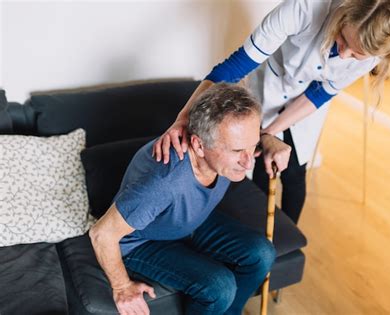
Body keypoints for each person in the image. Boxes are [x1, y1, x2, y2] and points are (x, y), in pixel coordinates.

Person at [152, 0, 390, 224]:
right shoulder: (303, 8)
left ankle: (286, 239)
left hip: (306, 107)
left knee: (294, 172)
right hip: (270, 85)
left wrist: (271, 132)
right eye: (343, 38)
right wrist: (183, 118)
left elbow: (320, 93)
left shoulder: (376, 50)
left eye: (357, 54)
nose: (344, 53)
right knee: (260, 164)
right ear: (345, 12)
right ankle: (253, 231)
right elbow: (231, 69)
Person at [89, 83, 290, 315]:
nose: (248, 162)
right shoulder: (164, 182)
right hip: (141, 241)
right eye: (236, 151)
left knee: (262, 254)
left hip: (187, 221)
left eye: (252, 146)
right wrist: (122, 287)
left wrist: (267, 139)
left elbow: (241, 132)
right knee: (220, 286)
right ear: (198, 145)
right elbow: (101, 234)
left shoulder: (222, 145)